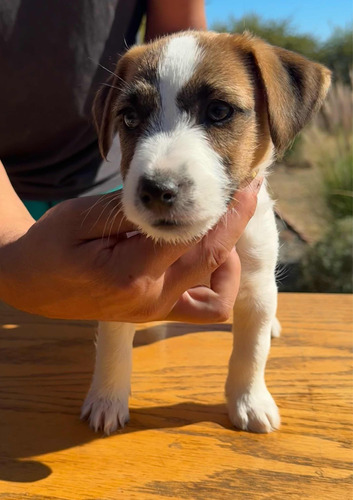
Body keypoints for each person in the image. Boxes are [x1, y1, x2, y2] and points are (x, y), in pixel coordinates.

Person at [0, 0, 260, 324]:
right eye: (130, 115)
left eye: (219, 113)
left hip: (106, 189)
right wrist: (7, 249)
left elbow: (177, 49)